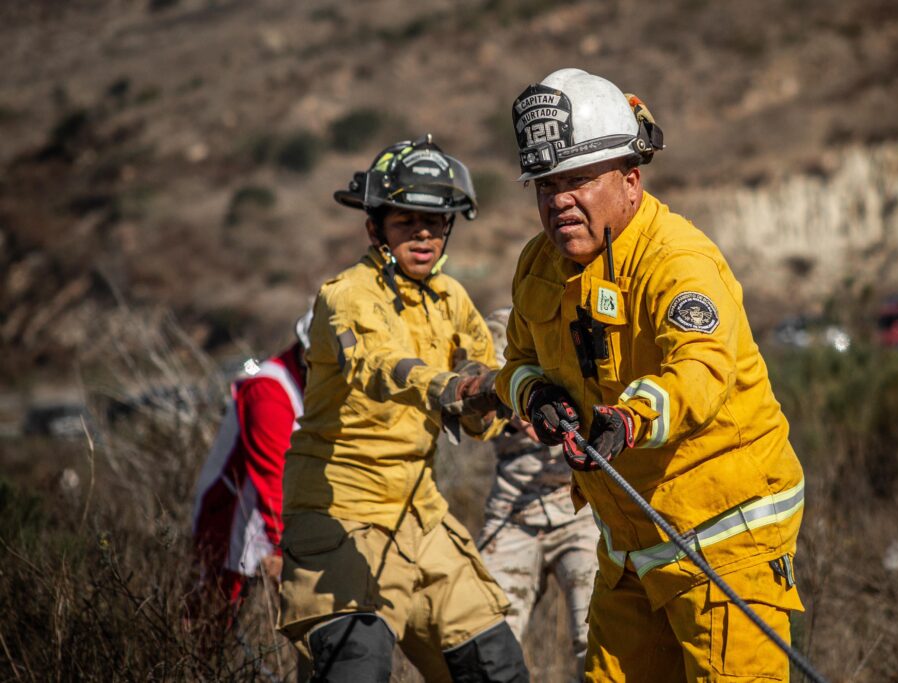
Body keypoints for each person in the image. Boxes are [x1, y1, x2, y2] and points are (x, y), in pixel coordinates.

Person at [496, 68, 806, 682]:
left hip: (724, 534)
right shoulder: (537, 265)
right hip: (630, 544)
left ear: (630, 180)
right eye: (546, 183)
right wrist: (535, 395)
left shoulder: (677, 260)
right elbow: (516, 362)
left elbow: (701, 368)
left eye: (578, 180)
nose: (559, 200)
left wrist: (633, 417)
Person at [277, 135, 528, 682]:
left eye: (436, 222)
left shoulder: (452, 299)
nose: (422, 234)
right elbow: (377, 363)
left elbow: (480, 412)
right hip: (341, 512)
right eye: (406, 220)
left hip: (422, 513)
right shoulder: (347, 295)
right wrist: (452, 387)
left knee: (496, 668)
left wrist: (505, 399)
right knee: (357, 665)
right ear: (375, 227)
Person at [477, 307, 599, 681]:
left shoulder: (589, 322)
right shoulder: (501, 327)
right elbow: (474, 389)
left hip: (581, 508)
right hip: (514, 509)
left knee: (595, 642)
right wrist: (511, 402)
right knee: (484, 635)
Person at [191, 310, 311, 622]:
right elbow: (274, 479)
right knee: (214, 619)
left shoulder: (312, 385)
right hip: (232, 519)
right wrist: (287, 553)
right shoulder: (269, 392)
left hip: (280, 520)